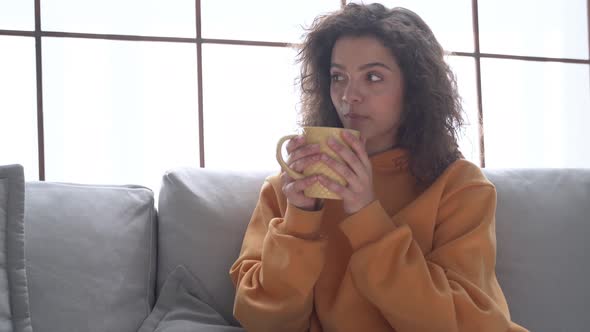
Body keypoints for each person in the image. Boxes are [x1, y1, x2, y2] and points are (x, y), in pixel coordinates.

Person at [230, 3, 527, 331]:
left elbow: (467, 324)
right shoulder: (288, 189)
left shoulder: (460, 186)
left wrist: (366, 216)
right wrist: (300, 219)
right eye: (337, 77)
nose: (349, 95)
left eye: (373, 77)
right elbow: (261, 321)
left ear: (414, 88)